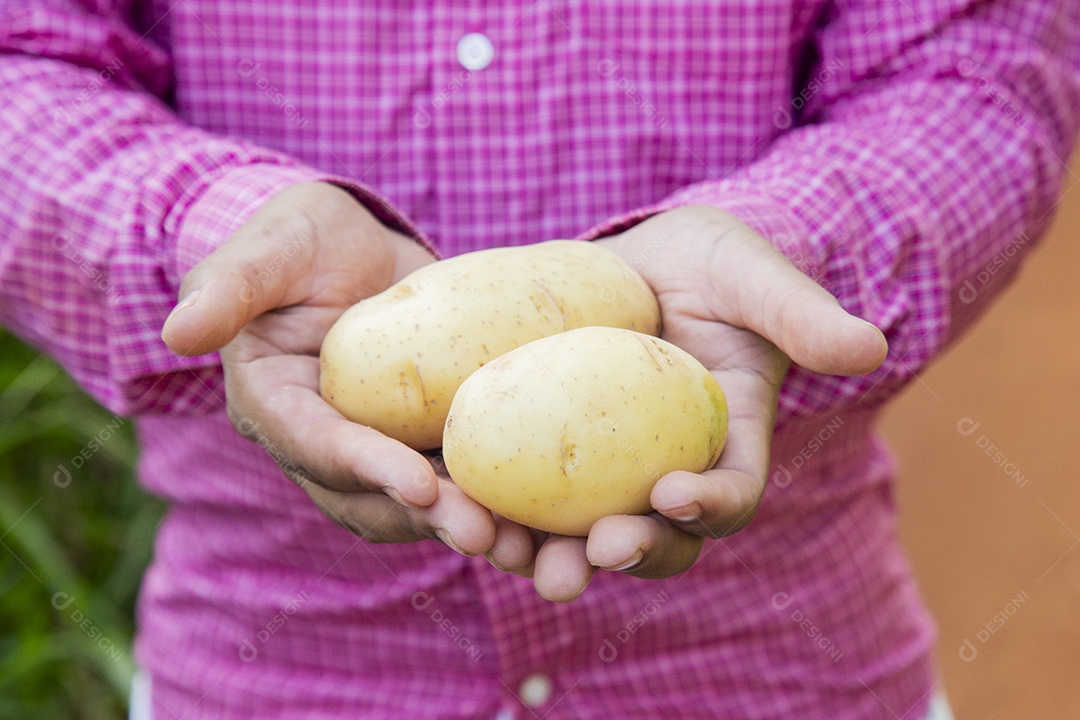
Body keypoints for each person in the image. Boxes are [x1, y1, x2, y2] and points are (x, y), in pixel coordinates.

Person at [1, 0, 1076, 717]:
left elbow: (979, 65)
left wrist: (788, 239)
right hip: (280, 672)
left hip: (785, 670)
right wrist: (215, 229)